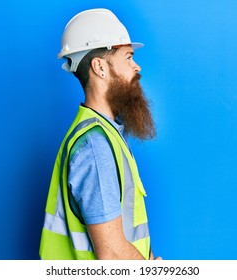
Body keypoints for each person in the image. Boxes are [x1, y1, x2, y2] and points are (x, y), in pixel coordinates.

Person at [39, 8, 161, 260]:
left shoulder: (105, 134)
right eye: (128, 57)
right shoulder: (95, 145)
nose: (136, 66)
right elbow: (113, 254)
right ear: (100, 68)